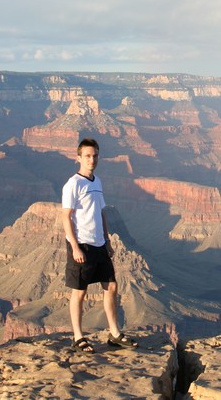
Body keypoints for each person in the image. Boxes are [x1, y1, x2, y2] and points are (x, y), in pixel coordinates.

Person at [62, 137, 137, 352]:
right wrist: (75, 247)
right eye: (87, 156)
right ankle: (78, 337)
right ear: (78, 158)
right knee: (79, 292)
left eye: (94, 156)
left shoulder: (97, 181)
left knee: (111, 286)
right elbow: (66, 217)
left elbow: (100, 212)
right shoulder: (73, 184)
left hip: (99, 244)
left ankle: (114, 334)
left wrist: (107, 239)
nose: (91, 160)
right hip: (82, 245)